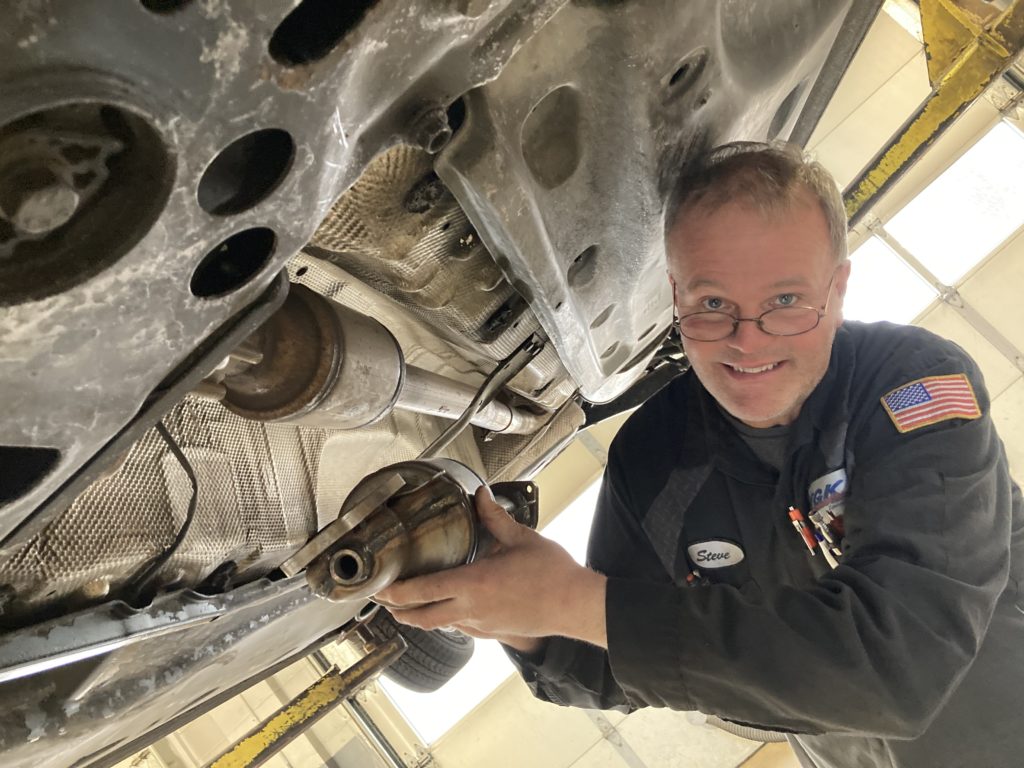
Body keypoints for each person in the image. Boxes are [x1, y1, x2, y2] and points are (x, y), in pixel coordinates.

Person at [375, 142, 1024, 768]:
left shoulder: (910, 386)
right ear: (675, 294)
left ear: (840, 287)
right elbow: (611, 656)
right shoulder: (654, 456)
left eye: (786, 302)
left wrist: (572, 602)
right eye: (713, 304)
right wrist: (511, 608)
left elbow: (899, 667)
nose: (748, 342)